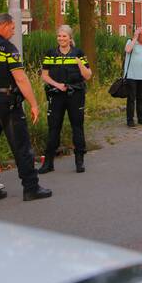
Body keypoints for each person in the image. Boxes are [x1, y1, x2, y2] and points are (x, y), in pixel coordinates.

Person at [0, 14, 52, 203]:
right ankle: (31, 188)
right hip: (6, 102)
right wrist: (34, 104)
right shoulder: (6, 47)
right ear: (4, 26)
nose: (13, 32)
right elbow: (20, 78)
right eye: (13, 28)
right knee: (21, 146)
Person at [39, 25, 92, 174]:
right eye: (59, 36)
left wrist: (78, 63)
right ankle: (48, 163)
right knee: (54, 127)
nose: (61, 39)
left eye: (64, 36)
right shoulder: (51, 53)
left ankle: (79, 160)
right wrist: (58, 85)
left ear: (70, 38)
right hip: (56, 94)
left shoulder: (78, 53)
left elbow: (88, 75)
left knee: (77, 126)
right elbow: (44, 75)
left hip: (75, 94)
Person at [123, 26, 142, 127]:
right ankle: (130, 120)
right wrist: (135, 38)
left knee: (141, 98)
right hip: (131, 75)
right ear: (138, 34)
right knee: (131, 98)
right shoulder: (131, 42)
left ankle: (141, 119)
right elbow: (127, 50)